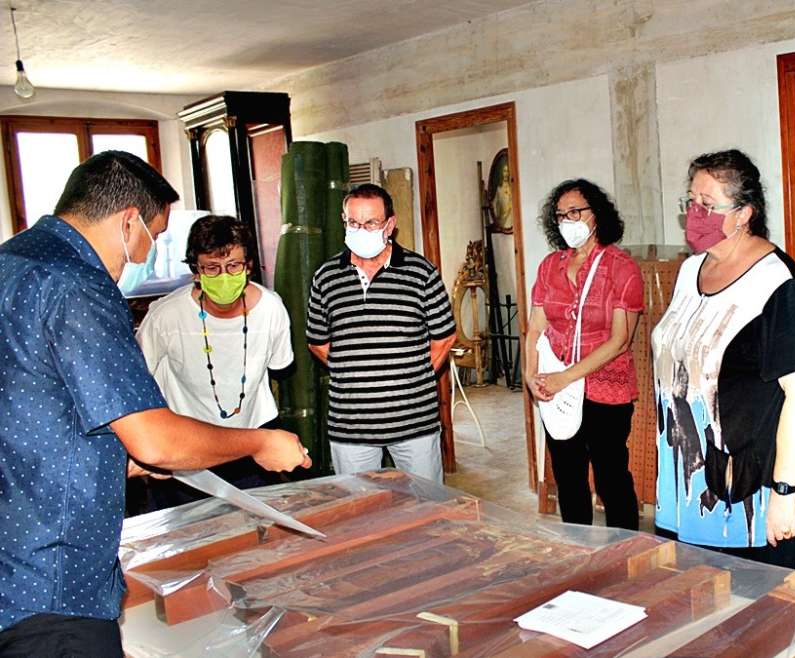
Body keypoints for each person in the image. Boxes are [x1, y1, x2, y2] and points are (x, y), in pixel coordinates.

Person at [0, 151, 309, 658]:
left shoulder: (14, 262)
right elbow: (157, 440)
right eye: (154, 236)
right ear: (128, 221)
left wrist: (121, 464)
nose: (145, 254)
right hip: (54, 581)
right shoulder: (79, 284)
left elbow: (35, 416)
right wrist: (258, 441)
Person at [651, 149, 795, 569]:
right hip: (685, 477)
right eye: (690, 202)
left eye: (708, 205)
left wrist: (784, 496)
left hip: (749, 487)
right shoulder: (689, 271)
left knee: (751, 622)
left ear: (743, 214)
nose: (694, 214)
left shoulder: (778, 283)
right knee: (692, 609)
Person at [136, 215, 295, 510]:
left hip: (250, 451)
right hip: (185, 456)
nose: (224, 275)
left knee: (255, 539)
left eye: (233, 265)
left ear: (248, 266)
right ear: (196, 271)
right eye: (212, 267)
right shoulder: (165, 317)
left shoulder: (272, 309)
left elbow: (279, 365)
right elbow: (133, 385)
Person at [307, 183, 456, 482]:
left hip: (415, 423)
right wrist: (353, 372)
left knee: (427, 508)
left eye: (371, 222)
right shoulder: (326, 277)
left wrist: (412, 378)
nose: (361, 230)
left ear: (390, 224)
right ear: (344, 220)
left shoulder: (421, 273)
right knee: (360, 514)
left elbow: (444, 337)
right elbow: (318, 341)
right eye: (353, 222)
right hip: (351, 426)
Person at [525, 179, 643, 530]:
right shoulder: (550, 267)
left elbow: (620, 340)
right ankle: (577, 556)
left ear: (597, 215)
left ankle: (625, 553)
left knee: (610, 477)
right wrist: (531, 376)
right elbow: (534, 329)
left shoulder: (621, 267)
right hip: (557, 390)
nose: (566, 221)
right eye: (560, 215)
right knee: (568, 477)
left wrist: (566, 377)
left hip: (606, 389)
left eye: (575, 212)